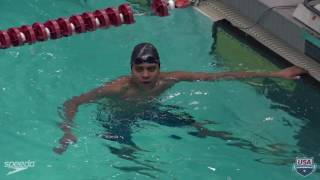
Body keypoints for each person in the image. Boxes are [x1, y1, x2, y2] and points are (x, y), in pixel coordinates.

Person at [53, 42, 306, 154]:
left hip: (149, 111)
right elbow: (73, 102)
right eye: (139, 69)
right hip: (117, 118)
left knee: (202, 129)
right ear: (131, 68)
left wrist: (276, 73)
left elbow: (218, 77)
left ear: (159, 68)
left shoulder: (169, 79)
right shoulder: (117, 88)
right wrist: (67, 131)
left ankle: (256, 148)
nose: (145, 75)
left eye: (151, 69)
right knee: (129, 154)